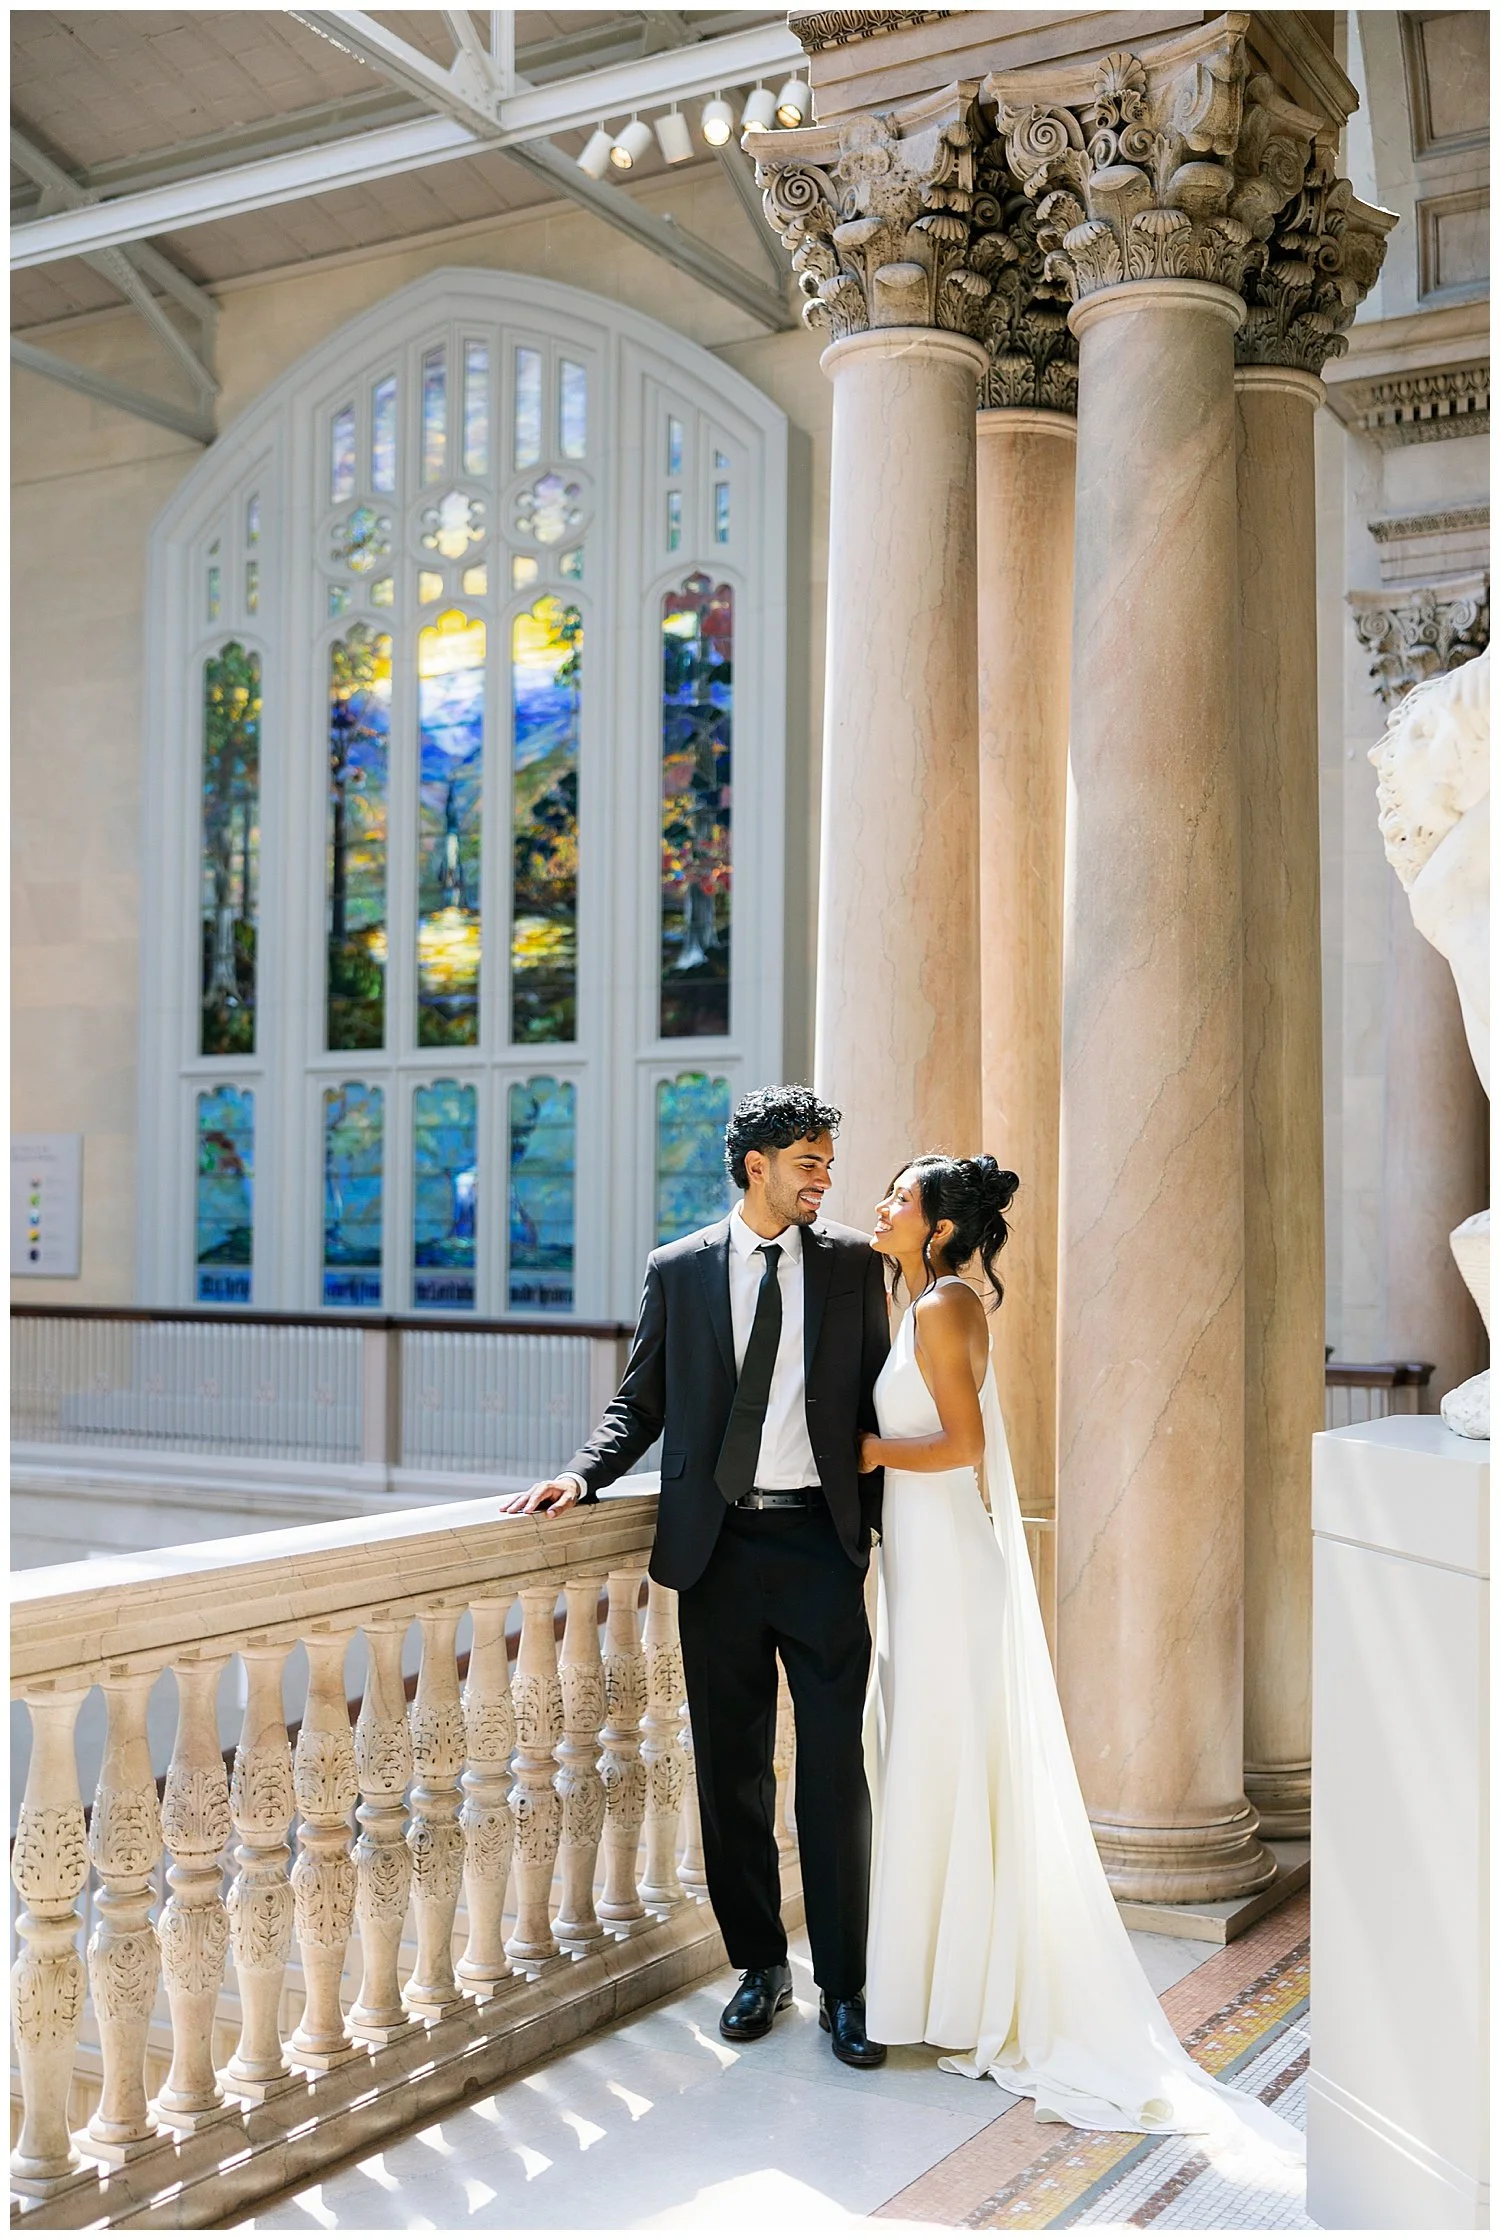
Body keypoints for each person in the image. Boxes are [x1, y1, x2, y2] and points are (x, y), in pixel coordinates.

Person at [858, 1153, 1302, 2152]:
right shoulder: (942, 1295)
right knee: (940, 1762)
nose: (879, 1205)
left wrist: (875, 1451)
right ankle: (943, 1985)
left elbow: (962, 1443)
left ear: (935, 1222)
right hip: (933, 1565)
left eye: (896, 1194)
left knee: (943, 1759)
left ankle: (954, 1994)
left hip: (946, 1571)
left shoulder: (937, 1307)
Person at [499, 1084, 891, 2068]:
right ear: (756, 1164)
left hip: (817, 1545)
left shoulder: (850, 1266)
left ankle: (847, 1984)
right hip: (716, 1553)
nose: (825, 1178)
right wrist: (582, 1472)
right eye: (809, 1161)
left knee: (835, 1777)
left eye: (828, 1162)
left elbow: (878, 1401)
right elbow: (642, 1403)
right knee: (731, 1772)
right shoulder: (678, 1271)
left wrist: (879, 1526)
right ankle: (760, 1965)